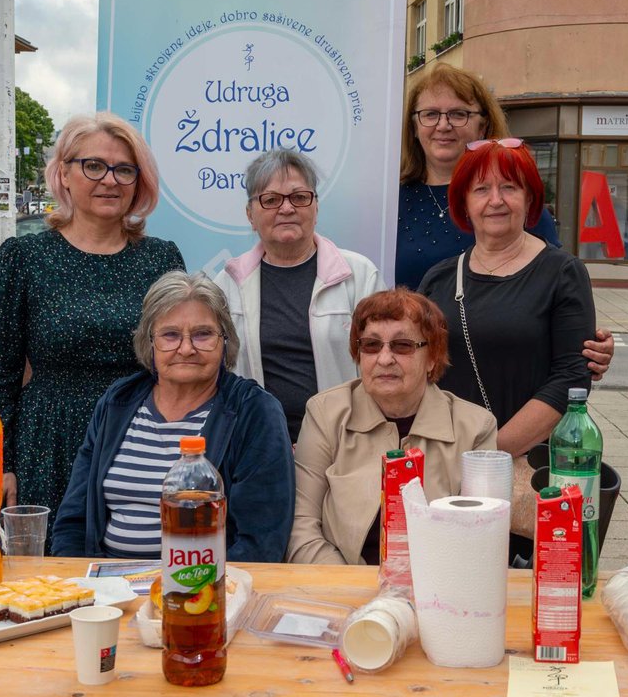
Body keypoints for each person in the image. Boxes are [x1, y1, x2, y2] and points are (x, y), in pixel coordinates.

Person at [0, 112, 185, 529]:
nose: (110, 180)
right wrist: (1, 464)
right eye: (93, 165)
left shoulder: (162, 259)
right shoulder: (24, 258)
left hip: (140, 437)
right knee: (52, 579)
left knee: (137, 569)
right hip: (49, 442)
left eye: (124, 169)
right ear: (64, 174)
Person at [419, 139, 596, 552]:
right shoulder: (439, 279)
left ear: (530, 198)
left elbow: (571, 378)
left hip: (525, 472)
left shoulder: (562, 273)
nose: (495, 200)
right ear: (464, 202)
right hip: (446, 474)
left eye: (509, 188)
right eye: (481, 189)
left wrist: (486, 458)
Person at [53, 272, 293, 561]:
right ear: (149, 342)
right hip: (110, 593)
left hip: (203, 592)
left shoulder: (254, 411)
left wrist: (198, 592)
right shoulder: (118, 401)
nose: (187, 348)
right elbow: (73, 519)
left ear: (225, 340)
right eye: (170, 335)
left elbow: (260, 541)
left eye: (203, 334)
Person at [397, 63, 614, 378]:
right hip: (419, 372)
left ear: (483, 125)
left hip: (508, 371)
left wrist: (584, 345)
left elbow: (553, 290)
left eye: (459, 114)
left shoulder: (517, 206)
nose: (443, 125)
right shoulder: (391, 202)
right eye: (430, 114)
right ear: (414, 125)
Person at [288, 288, 497, 565]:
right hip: (342, 589)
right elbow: (301, 527)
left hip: (437, 591)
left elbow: (481, 538)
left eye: (402, 346)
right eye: (371, 346)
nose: (384, 359)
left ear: (432, 357)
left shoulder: (475, 428)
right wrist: (353, 589)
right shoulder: (325, 413)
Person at [213, 149, 385, 443]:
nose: (287, 208)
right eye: (270, 199)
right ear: (250, 215)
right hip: (258, 445)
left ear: (316, 207)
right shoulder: (227, 284)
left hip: (346, 443)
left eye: (299, 197)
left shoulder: (360, 275)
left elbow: (383, 362)